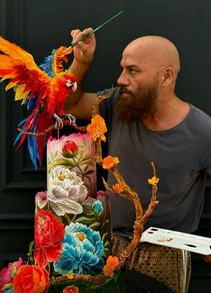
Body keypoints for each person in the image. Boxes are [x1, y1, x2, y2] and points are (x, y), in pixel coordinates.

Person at [65, 28, 211, 293]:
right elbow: (68, 104)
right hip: (109, 249)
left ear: (166, 76)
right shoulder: (118, 104)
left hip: (167, 259)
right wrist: (81, 63)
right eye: (122, 69)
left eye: (132, 71)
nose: (121, 79)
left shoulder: (203, 131)